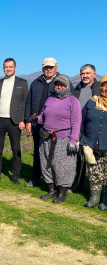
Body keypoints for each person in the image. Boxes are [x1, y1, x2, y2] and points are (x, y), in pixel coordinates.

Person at [25, 58, 74, 187]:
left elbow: (71, 102)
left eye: (51, 67)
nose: (48, 69)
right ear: (42, 68)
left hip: (57, 127)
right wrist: (28, 121)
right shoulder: (36, 82)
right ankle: (36, 178)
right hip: (38, 123)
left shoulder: (63, 82)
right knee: (39, 152)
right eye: (46, 67)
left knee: (57, 156)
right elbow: (29, 102)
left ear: (56, 67)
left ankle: (59, 183)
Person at [34, 74, 81, 203]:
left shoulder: (73, 101)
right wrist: (37, 118)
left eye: (62, 85)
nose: (59, 87)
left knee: (63, 166)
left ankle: (62, 193)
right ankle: (51, 190)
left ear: (67, 86)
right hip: (46, 137)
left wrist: (74, 140)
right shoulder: (50, 99)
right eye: (56, 85)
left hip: (63, 138)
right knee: (46, 164)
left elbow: (76, 123)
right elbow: (44, 115)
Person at [0, 58, 28, 184]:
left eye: (10, 67)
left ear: (15, 68)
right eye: (6, 67)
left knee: (16, 150)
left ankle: (15, 176)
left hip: (14, 121)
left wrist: (23, 120)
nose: (8, 69)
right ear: (3, 68)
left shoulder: (23, 83)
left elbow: (25, 103)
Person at [71, 64, 100, 193]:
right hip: (79, 127)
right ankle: (79, 183)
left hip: (94, 127)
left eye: (88, 73)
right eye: (82, 73)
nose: (85, 76)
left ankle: (96, 188)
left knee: (96, 159)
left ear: (94, 74)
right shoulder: (76, 89)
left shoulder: (100, 88)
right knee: (80, 158)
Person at [80, 76, 107, 209]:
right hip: (92, 144)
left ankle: (106, 200)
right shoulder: (92, 102)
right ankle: (94, 198)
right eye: (104, 85)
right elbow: (82, 119)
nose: (106, 88)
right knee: (94, 172)